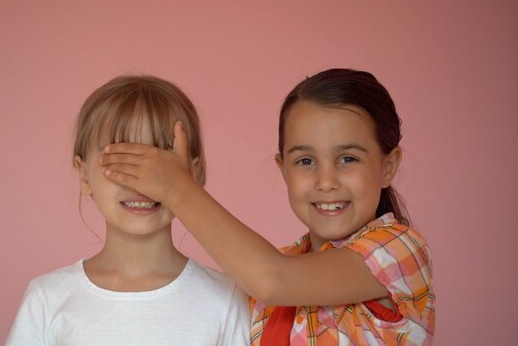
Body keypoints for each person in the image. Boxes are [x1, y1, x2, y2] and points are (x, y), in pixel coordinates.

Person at [100, 69, 435, 345]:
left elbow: (273, 280)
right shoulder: (273, 268)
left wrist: (176, 187)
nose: (326, 180)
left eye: (348, 159)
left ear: (389, 166)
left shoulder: (399, 249)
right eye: (305, 161)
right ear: (283, 170)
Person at [6, 75, 250, 346]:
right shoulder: (47, 299)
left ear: (193, 174)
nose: (142, 181)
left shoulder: (226, 299)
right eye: (121, 159)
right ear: (84, 175)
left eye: (161, 163)